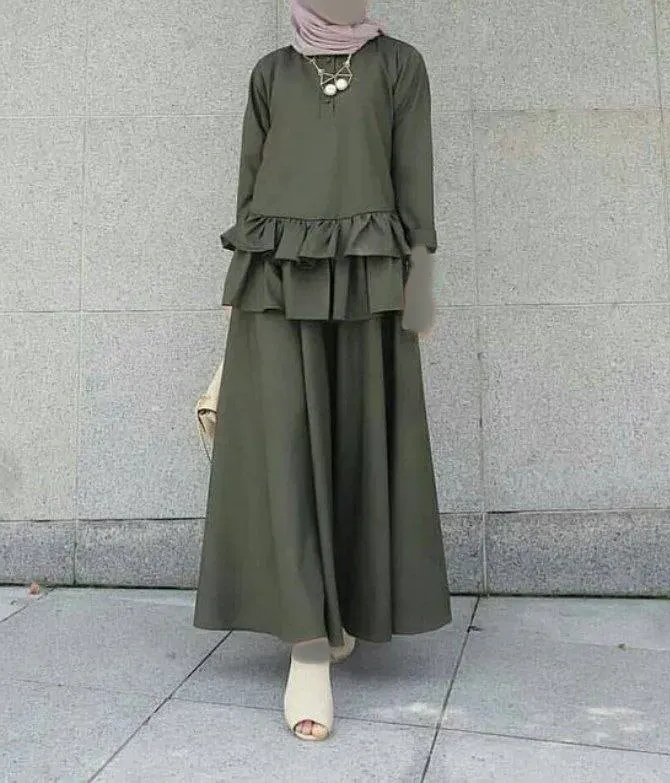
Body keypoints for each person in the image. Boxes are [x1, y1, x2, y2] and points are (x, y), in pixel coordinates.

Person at [192, 0, 453, 741]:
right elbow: (248, 202)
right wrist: (234, 324)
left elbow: (413, 179)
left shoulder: (399, 65)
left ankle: (340, 613)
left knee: (356, 447)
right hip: (275, 286)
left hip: (370, 280)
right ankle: (307, 649)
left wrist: (421, 282)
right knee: (285, 454)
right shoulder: (270, 75)